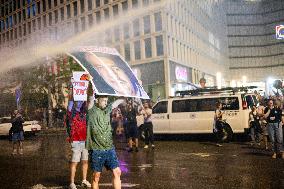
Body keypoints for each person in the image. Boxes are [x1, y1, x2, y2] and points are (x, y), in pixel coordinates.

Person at [86, 88, 124, 189]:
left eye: (107, 101)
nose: (106, 103)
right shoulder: (91, 110)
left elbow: (116, 103)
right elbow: (90, 97)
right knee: (96, 176)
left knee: (117, 172)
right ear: (97, 100)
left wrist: (124, 95)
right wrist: (90, 83)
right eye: (103, 100)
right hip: (96, 150)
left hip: (109, 148)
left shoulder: (107, 109)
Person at [66, 95, 91, 189]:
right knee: (74, 162)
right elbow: (70, 101)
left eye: (81, 101)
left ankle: (84, 180)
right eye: (78, 100)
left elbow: (89, 100)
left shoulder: (84, 112)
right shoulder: (71, 112)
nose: (80, 102)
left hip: (85, 140)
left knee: (85, 161)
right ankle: (71, 183)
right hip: (76, 141)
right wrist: (74, 88)